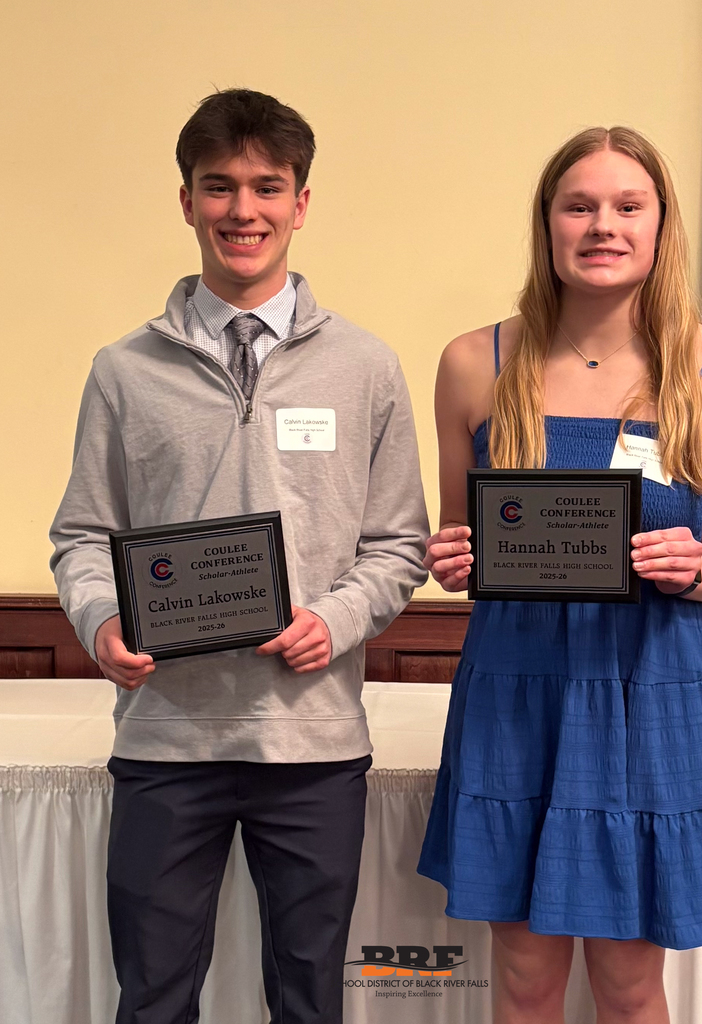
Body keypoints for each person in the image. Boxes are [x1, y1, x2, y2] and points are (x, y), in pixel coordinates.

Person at [50, 88, 428, 1024]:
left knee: (308, 999)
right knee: (154, 996)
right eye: (218, 188)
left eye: (268, 187)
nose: (242, 211)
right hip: (168, 741)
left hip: (313, 744)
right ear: (186, 201)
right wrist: (100, 621)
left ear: (302, 201)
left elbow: (398, 544)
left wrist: (333, 620)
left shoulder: (367, 366)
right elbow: (83, 535)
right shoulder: (122, 370)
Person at [417, 126, 702, 1024]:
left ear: (661, 226)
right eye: (578, 206)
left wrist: (694, 566)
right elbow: (460, 539)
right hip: (514, 691)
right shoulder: (474, 363)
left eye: (627, 206)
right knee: (526, 977)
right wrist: (452, 556)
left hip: (644, 692)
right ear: (546, 224)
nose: (602, 226)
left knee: (627, 983)